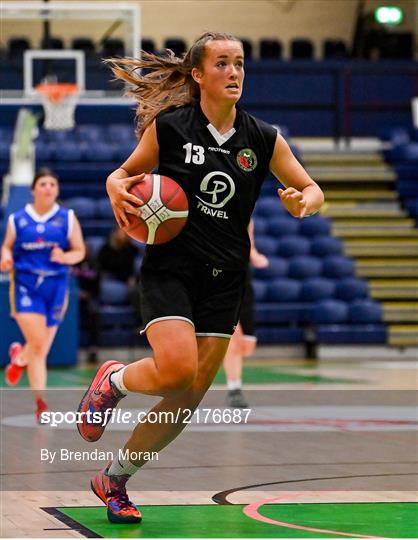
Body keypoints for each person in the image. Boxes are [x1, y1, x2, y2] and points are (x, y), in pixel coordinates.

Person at [77, 32, 324, 525]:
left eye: (239, 64)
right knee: (174, 371)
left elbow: (311, 186)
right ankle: (114, 381)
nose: (234, 73)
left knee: (186, 399)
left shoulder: (263, 137)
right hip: (172, 268)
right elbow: (122, 175)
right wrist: (113, 186)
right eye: (223, 64)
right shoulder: (171, 127)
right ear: (198, 75)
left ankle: (115, 479)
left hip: (225, 278)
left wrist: (306, 201)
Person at [0, 168, 85, 420]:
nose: (48, 188)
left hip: (57, 287)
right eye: (43, 183)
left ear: (57, 190)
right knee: (38, 344)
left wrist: (65, 256)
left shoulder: (67, 218)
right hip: (26, 285)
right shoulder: (18, 219)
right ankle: (41, 404)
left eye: (52, 184)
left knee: (41, 349)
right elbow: (6, 247)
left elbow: (79, 251)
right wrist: (5, 258)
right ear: (33, 190)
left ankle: (19, 358)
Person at [224, 220, 269, 408]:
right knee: (233, 341)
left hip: (243, 280)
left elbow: (248, 242)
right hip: (220, 280)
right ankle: (234, 389)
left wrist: (255, 255)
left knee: (246, 346)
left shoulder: (245, 213)